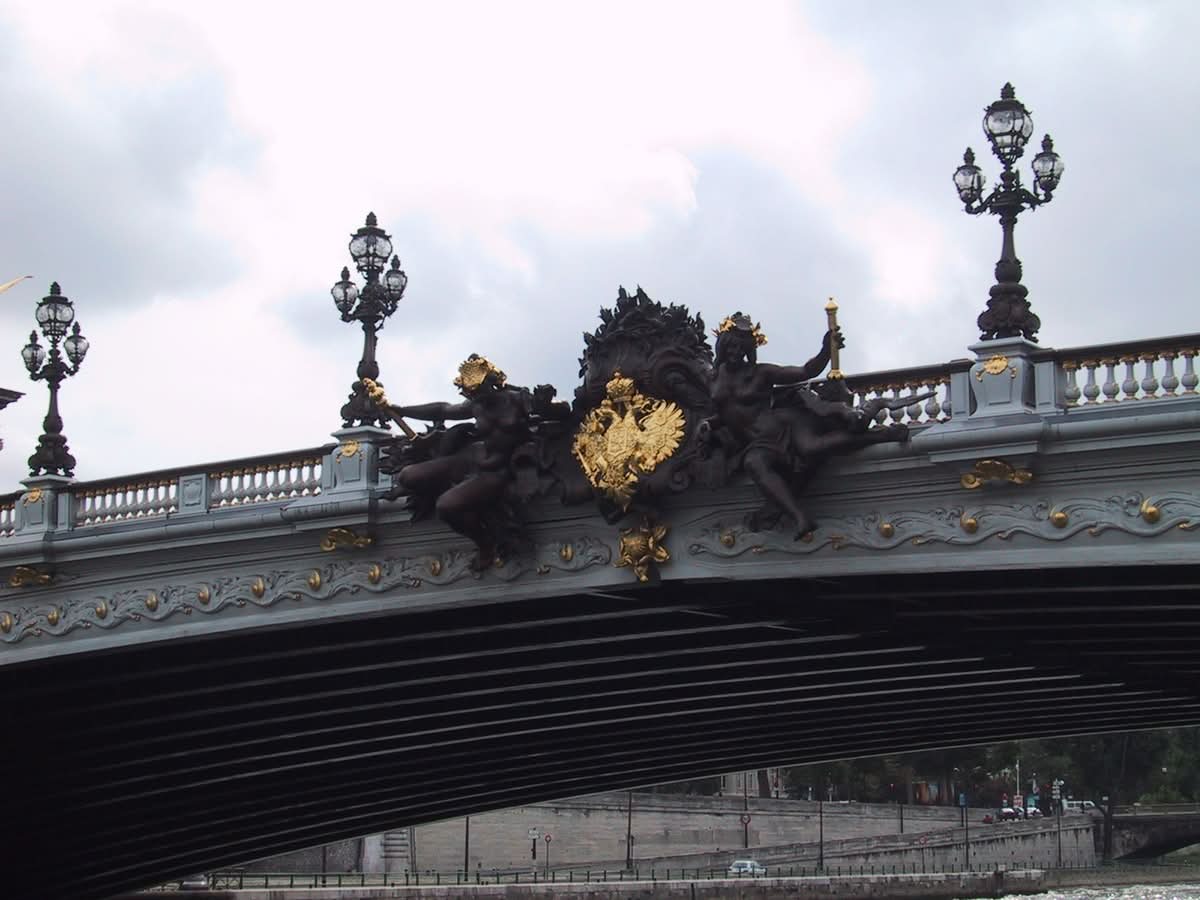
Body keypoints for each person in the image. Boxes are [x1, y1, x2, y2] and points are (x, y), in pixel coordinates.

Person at [701, 312, 908, 538]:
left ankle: (881, 436)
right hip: (757, 442)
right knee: (754, 462)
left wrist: (825, 350)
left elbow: (804, 372)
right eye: (731, 347)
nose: (735, 353)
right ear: (722, 346)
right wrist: (709, 424)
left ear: (749, 350)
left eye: (741, 348)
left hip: (782, 426)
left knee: (811, 447)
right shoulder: (713, 378)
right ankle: (800, 517)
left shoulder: (761, 372)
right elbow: (727, 412)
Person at [381, 354, 569, 566]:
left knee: (446, 505)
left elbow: (564, 410)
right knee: (407, 476)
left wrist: (546, 405)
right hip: (471, 458)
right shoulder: (477, 404)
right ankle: (463, 494)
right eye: (470, 392)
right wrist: (402, 411)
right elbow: (443, 410)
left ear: (491, 383)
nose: (474, 396)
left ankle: (485, 543)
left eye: (477, 391)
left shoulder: (518, 399)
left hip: (498, 469)